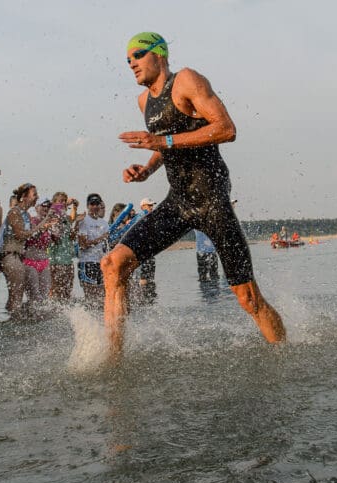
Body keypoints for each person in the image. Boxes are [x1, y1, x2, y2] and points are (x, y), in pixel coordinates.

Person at [104, 31, 286, 356]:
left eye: (138, 54)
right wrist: (146, 169)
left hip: (212, 199)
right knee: (114, 264)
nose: (131, 63)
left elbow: (225, 128)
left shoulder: (186, 80)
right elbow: (165, 142)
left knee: (248, 299)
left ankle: (286, 357)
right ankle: (112, 362)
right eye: (126, 59)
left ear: (159, 53)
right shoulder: (144, 101)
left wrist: (164, 142)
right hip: (179, 202)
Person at [0, 183, 55, 317]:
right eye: (34, 194)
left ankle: (21, 323)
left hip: (18, 257)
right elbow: (21, 234)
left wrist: (45, 222)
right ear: (24, 197)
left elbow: (32, 233)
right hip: (10, 256)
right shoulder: (14, 212)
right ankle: (14, 326)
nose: (37, 197)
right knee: (16, 296)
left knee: (18, 295)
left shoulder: (24, 214)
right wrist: (41, 227)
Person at [77, 193, 109, 307]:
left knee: (102, 296)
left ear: (100, 205)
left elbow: (107, 247)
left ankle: (99, 323)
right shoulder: (84, 221)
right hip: (87, 262)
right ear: (87, 205)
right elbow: (83, 245)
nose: (95, 206)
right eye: (92, 204)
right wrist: (101, 238)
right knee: (90, 297)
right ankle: (86, 322)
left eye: (97, 204)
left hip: (101, 263)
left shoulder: (104, 223)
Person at [47, 192, 78, 301]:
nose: (64, 203)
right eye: (61, 201)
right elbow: (53, 209)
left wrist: (75, 208)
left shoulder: (66, 218)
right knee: (55, 289)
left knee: (67, 290)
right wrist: (66, 205)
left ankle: (65, 314)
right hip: (55, 260)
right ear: (54, 203)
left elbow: (72, 219)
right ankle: (52, 312)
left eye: (65, 201)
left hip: (68, 259)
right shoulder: (52, 216)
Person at [23, 199, 54, 305]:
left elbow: (56, 239)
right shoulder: (31, 221)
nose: (46, 208)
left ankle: (44, 321)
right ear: (36, 208)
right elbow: (32, 237)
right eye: (43, 205)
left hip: (44, 261)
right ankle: (31, 319)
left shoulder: (50, 223)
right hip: (30, 261)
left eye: (48, 206)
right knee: (34, 296)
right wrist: (46, 224)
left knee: (45, 296)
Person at [137, 197, 158, 302]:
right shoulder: (139, 218)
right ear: (142, 207)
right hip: (142, 257)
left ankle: (151, 302)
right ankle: (143, 300)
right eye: (149, 205)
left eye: (152, 205)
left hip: (150, 256)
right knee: (144, 280)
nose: (151, 207)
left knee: (151, 280)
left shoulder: (151, 219)